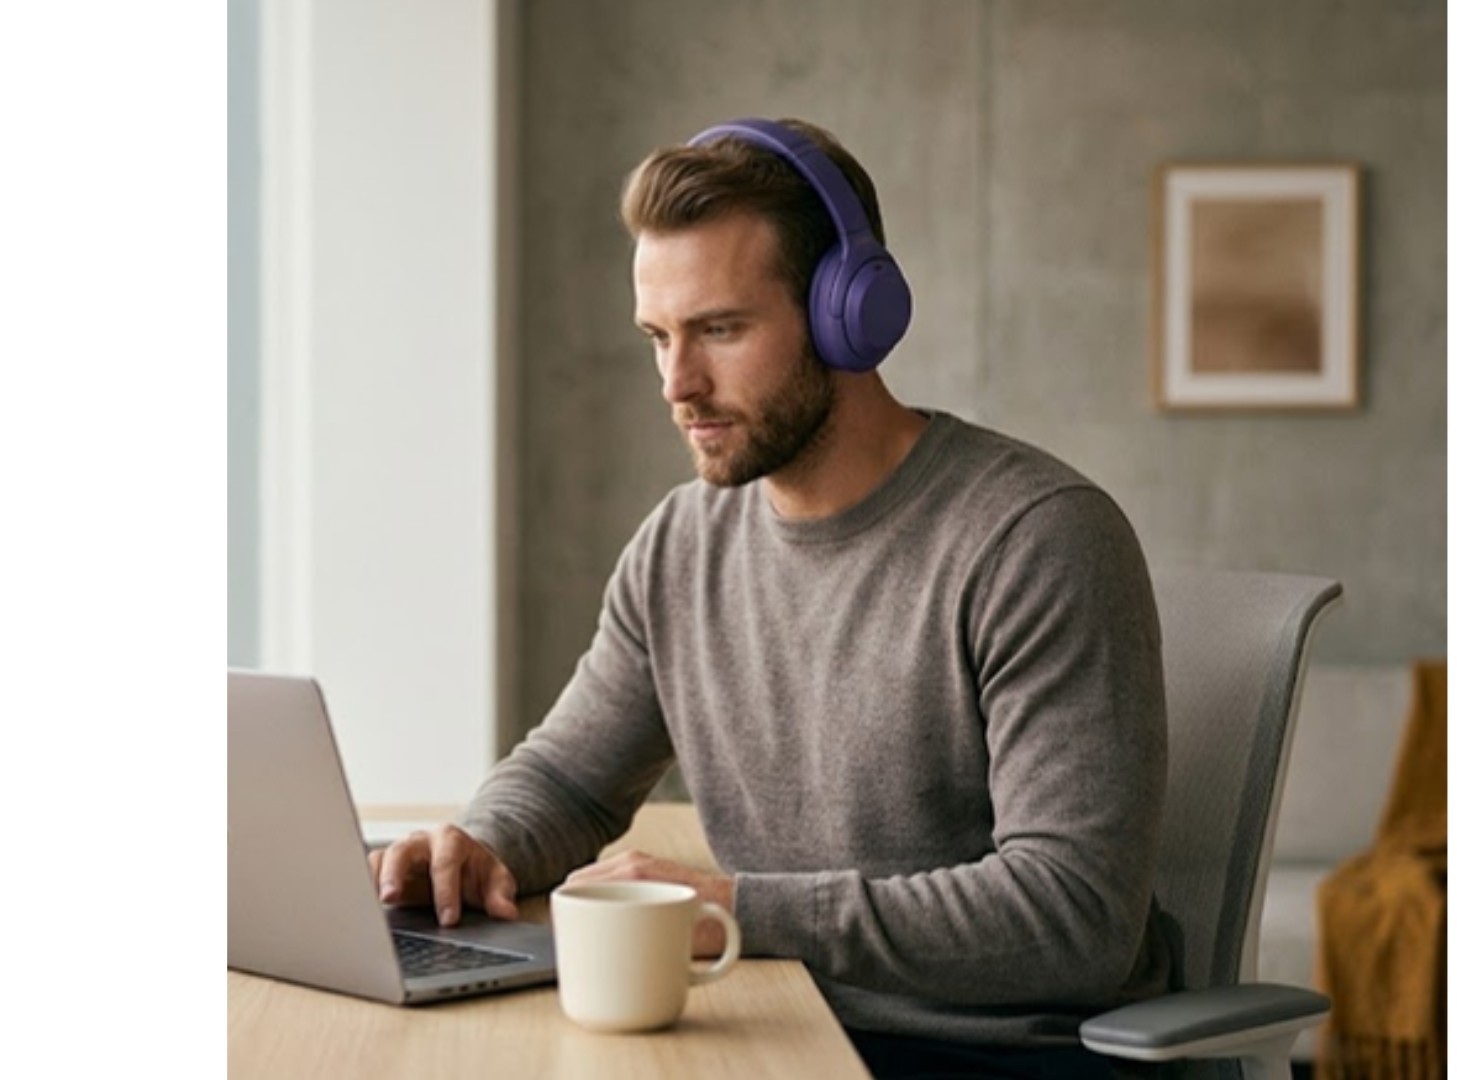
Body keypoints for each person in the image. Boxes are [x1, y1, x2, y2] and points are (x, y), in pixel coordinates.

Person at [371, 117, 1173, 1079]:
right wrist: (482, 845)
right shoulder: (681, 545)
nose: (678, 383)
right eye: (658, 337)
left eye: (719, 329)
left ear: (847, 312)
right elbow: (571, 780)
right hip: (780, 1021)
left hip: (995, 1053)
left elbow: (1072, 915)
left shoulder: (1034, 538)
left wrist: (731, 907)